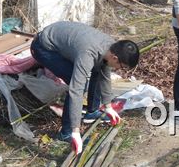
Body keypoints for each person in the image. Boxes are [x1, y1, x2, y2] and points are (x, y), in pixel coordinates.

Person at [30, 21, 139, 155]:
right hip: (42, 47)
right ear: (115, 58)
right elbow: (76, 90)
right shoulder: (88, 53)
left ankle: (92, 112)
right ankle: (66, 132)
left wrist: (108, 106)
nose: (119, 69)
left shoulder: (111, 47)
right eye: (121, 66)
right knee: (76, 82)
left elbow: (104, 73)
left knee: (98, 69)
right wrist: (76, 131)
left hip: (61, 40)